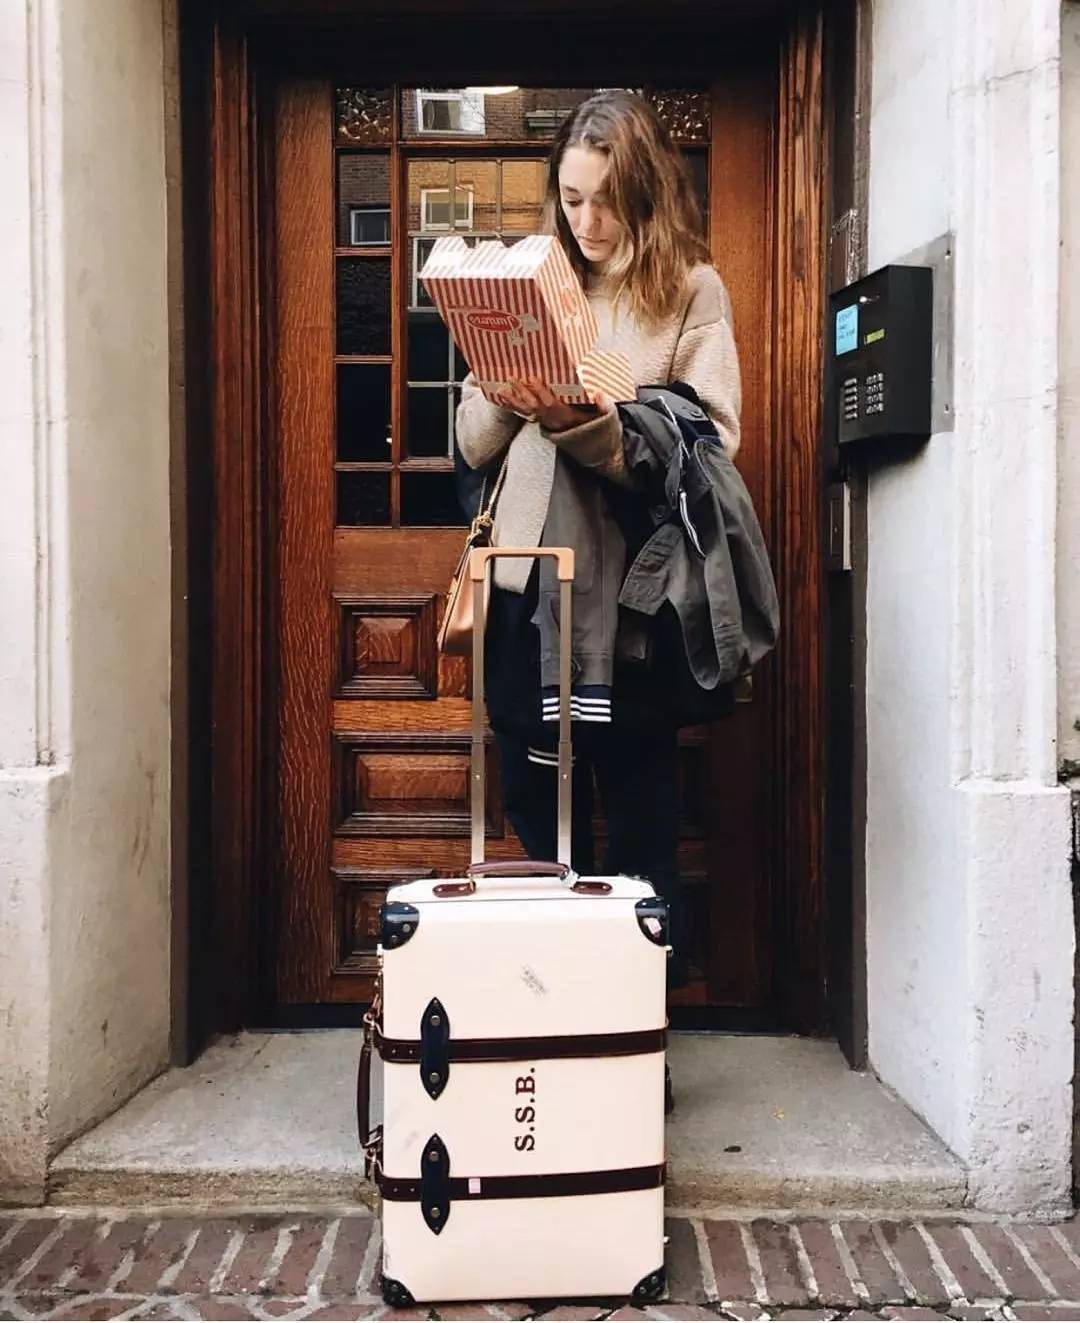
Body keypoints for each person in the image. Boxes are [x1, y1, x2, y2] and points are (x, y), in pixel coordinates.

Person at [454, 90, 742, 1036]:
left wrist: (588, 423)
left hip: (631, 599)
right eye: (572, 199)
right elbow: (469, 442)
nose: (587, 222)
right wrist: (506, 395)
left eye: (607, 201)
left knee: (642, 813)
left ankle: (633, 1037)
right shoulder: (534, 279)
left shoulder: (691, 289)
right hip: (523, 584)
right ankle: (558, 1024)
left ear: (646, 192)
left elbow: (712, 443)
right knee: (538, 807)